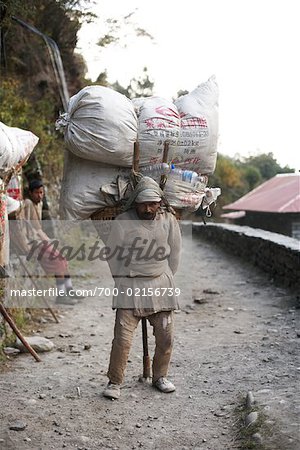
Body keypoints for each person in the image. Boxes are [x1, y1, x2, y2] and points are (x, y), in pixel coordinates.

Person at [103, 177, 182, 400]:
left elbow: (175, 253)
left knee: (166, 336)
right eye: (144, 203)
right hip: (130, 283)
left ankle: (160, 376)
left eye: (153, 203)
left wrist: (163, 275)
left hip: (160, 284)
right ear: (135, 202)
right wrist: (121, 278)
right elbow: (113, 255)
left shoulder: (168, 220)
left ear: (160, 203)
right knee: (122, 338)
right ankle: (115, 381)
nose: (148, 208)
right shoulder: (122, 221)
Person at [21, 179, 84, 305]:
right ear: (30, 193)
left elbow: (38, 228)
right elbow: (27, 227)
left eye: (41, 193)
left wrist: (48, 241)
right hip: (33, 243)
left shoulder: (37, 205)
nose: (40, 196)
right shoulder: (27, 203)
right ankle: (61, 295)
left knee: (63, 259)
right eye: (37, 193)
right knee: (58, 261)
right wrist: (45, 241)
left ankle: (69, 290)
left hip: (39, 240)